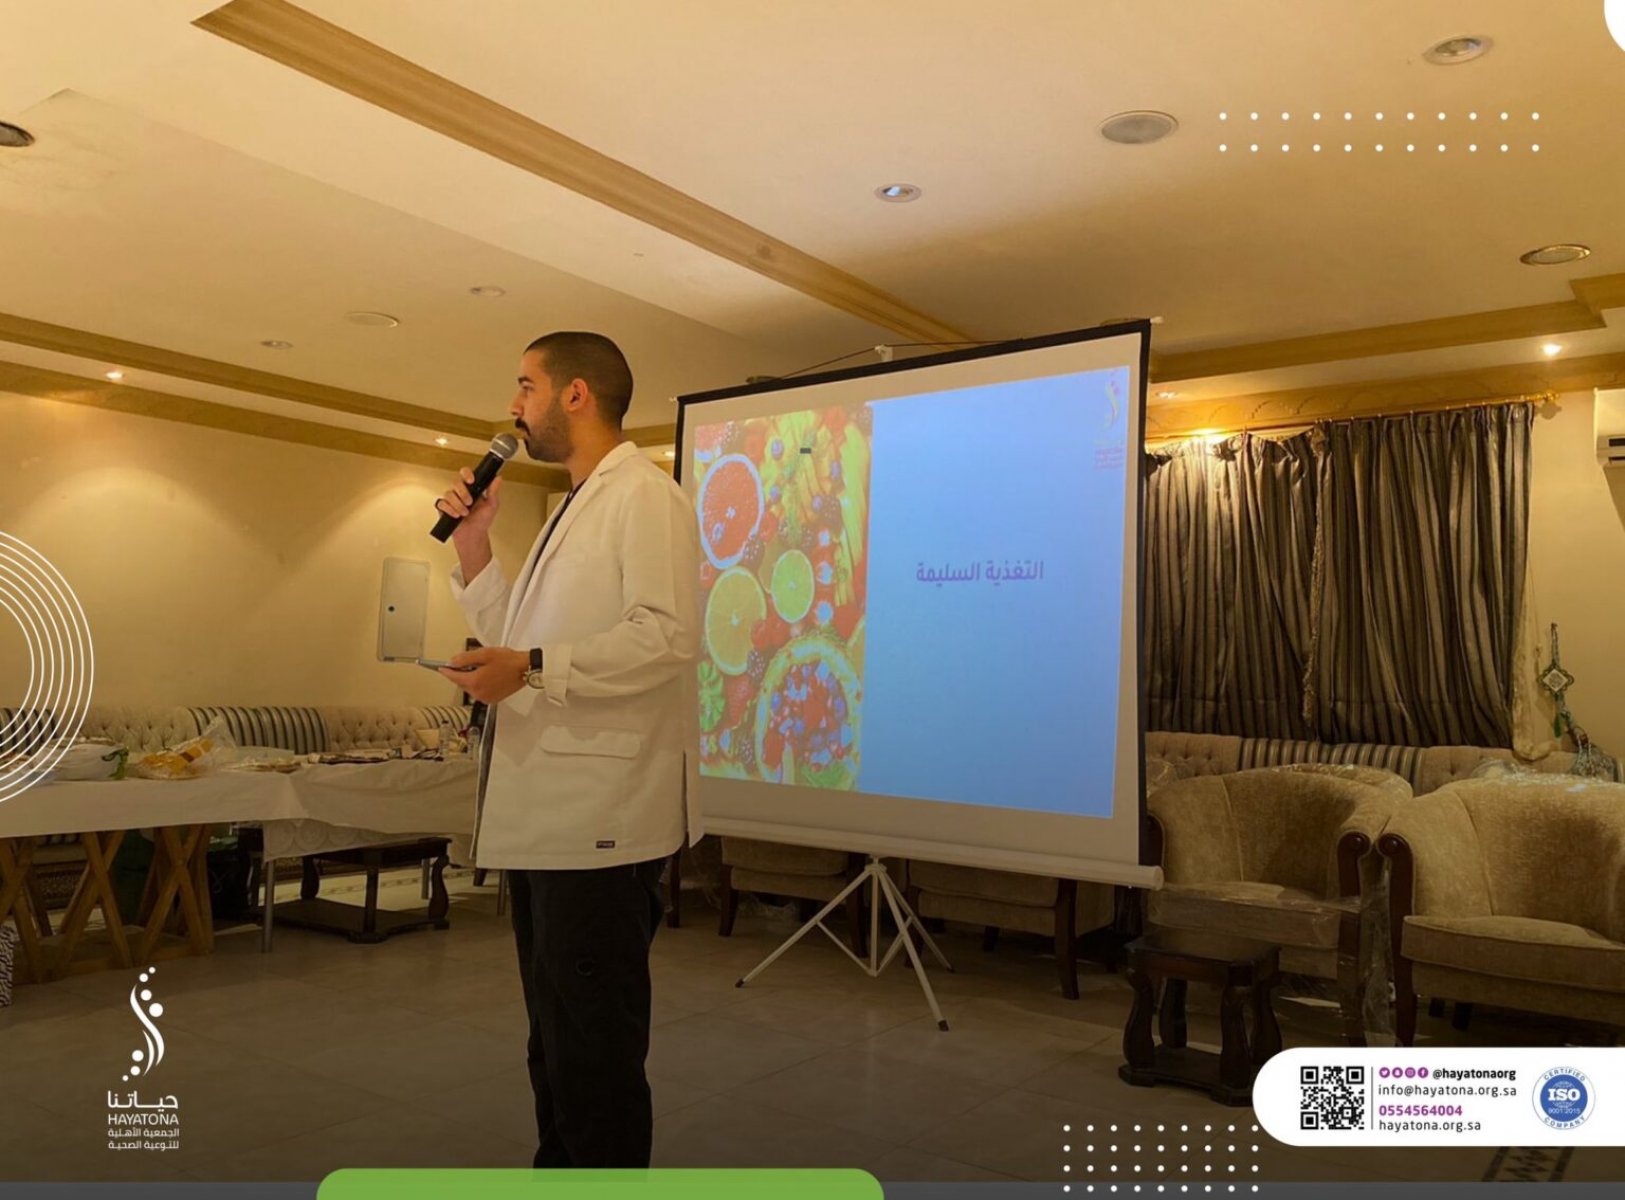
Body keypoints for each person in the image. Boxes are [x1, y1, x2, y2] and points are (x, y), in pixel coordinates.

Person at [434, 330, 700, 1168]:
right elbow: (519, 639)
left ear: (575, 394)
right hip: (547, 821)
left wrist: (532, 668)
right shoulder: (571, 505)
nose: (512, 405)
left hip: (598, 825)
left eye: (525, 385)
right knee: (553, 1045)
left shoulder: (644, 496)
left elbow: (667, 637)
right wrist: (475, 545)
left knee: (594, 1056)